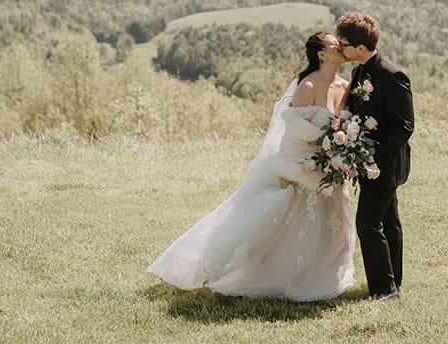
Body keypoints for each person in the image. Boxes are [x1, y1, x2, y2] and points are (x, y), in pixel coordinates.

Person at [147, 32, 356, 301]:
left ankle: (324, 276)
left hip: (329, 167)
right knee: (288, 225)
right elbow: (292, 130)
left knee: (333, 224)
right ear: (321, 54)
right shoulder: (308, 85)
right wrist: (286, 169)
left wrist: (338, 152)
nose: (340, 46)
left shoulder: (345, 85)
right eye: (333, 44)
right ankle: (280, 277)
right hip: (300, 163)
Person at [335, 12, 414, 301]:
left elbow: (404, 127)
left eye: (343, 44)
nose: (339, 48)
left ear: (359, 47)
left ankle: (384, 290)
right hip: (365, 160)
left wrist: (370, 157)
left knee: (368, 224)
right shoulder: (358, 72)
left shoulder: (393, 76)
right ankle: (394, 282)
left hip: (384, 164)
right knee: (388, 221)